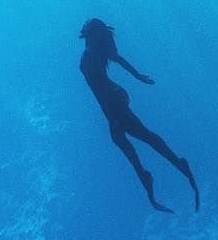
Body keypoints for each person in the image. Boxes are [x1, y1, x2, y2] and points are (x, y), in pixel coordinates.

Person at [79, 17, 200, 212]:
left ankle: (167, 168)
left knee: (139, 136)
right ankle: (157, 172)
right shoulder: (94, 54)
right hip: (112, 103)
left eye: (88, 38)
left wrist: (138, 76)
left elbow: (119, 62)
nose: (86, 42)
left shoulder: (97, 54)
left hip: (114, 102)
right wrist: (137, 76)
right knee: (127, 138)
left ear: (94, 38)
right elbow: (119, 62)